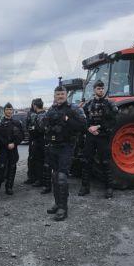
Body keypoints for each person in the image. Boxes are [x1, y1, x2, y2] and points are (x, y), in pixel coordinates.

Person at [44, 85, 86, 221]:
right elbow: (42, 124)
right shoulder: (51, 109)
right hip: (53, 146)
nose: (60, 96)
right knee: (55, 176)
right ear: (54, 96)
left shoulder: (73, 108)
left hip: (66, 147)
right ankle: (57, 203)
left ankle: (63, 208)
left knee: (62, 176)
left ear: (66, 95)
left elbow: (83, 126)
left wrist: (68, 120)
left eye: (62, 94)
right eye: (58, 94)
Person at [79, 80, 118, 199]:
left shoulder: (109, 104)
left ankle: (109, 188)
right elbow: (83, 119)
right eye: (98, 88)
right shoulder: (88, 105)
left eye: (102, 88)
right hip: (91, 135)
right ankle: (85, 186)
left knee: (105, 161)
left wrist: (99, 127)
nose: (101, 90)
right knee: (86, 161)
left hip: (103, 136)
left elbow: (113, 120)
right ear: (94, 90)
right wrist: (89, 128)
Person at [0, 102, 24, 195]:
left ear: (13, 111)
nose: (9, 111)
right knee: (1, 168)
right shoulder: (0, 123)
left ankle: (9, 187)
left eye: (10, 109)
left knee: (12, 168)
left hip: (13, 149)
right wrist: (7, 144)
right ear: (4, 111)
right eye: (7, 109)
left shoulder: (17, 123)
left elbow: (21, 135)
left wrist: (14, 143)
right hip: (3, 149)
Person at [28, 98, 46, 187]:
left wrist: (33, 129)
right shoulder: (46, 114)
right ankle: (38, 179)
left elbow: (41, 129)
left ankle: (40, 180)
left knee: (39, 161)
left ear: (35, 106)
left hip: (39, 141)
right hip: (43, 141)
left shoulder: (39, 116)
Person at [24, 99, 37, 184]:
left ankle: (37, 177)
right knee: (31, 158)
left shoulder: (41, 113)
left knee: (38, 159)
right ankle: (31, 177)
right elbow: (26, 125)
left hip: (39, 139)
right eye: (33, 104)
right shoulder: (30, 113)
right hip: (32, 138)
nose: (34, 106)